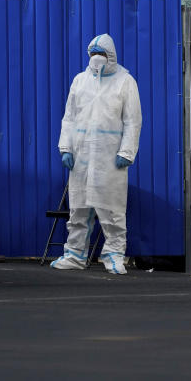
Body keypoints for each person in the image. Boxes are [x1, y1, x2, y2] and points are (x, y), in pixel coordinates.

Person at [51, 33, 141, 275]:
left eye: (101, 54)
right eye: (93, 54)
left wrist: (127, 151)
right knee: (78, 209)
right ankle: (75, 254)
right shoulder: (80, 81)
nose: (97, 59)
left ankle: (114, 255)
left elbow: (133, 121)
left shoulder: (125, 82)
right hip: (81, 156)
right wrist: (65, 148)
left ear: (111, 56)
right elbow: (69, 117)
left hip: (109, 158)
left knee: (111, 210)